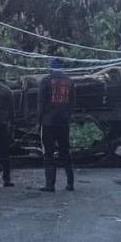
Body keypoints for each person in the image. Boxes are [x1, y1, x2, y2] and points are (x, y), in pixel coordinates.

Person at [37, 58, 74, 192]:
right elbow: (72, 103)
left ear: (50, 67)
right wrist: (68, 118)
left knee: (49, 153)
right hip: (63, 122)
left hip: (48, 122)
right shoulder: (69, 81)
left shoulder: (46, 81)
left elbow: (41, 103)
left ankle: (50, 185)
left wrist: (38, 121)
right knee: (65, 151)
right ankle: (70, 183)